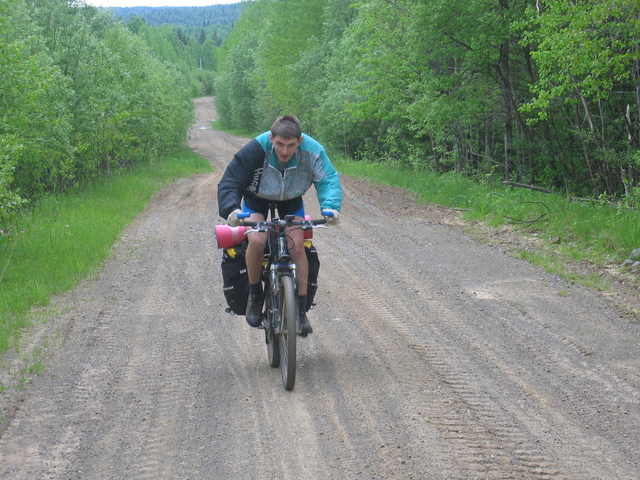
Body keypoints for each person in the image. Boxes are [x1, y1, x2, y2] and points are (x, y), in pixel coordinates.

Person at [218, 115, 343, 335]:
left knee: (296, 246)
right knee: (256, 239)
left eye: (291, 145)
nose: (285, 151)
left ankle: (301, 311)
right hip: (256, 198)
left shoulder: (313, 151)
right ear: (271, 138)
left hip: (292, 200)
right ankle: (255, 296)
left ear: (300, 141)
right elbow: (231, 180)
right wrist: (232, 209)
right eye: (279, 144)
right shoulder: (256, 149)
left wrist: (331, 207)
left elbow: (328, 179)